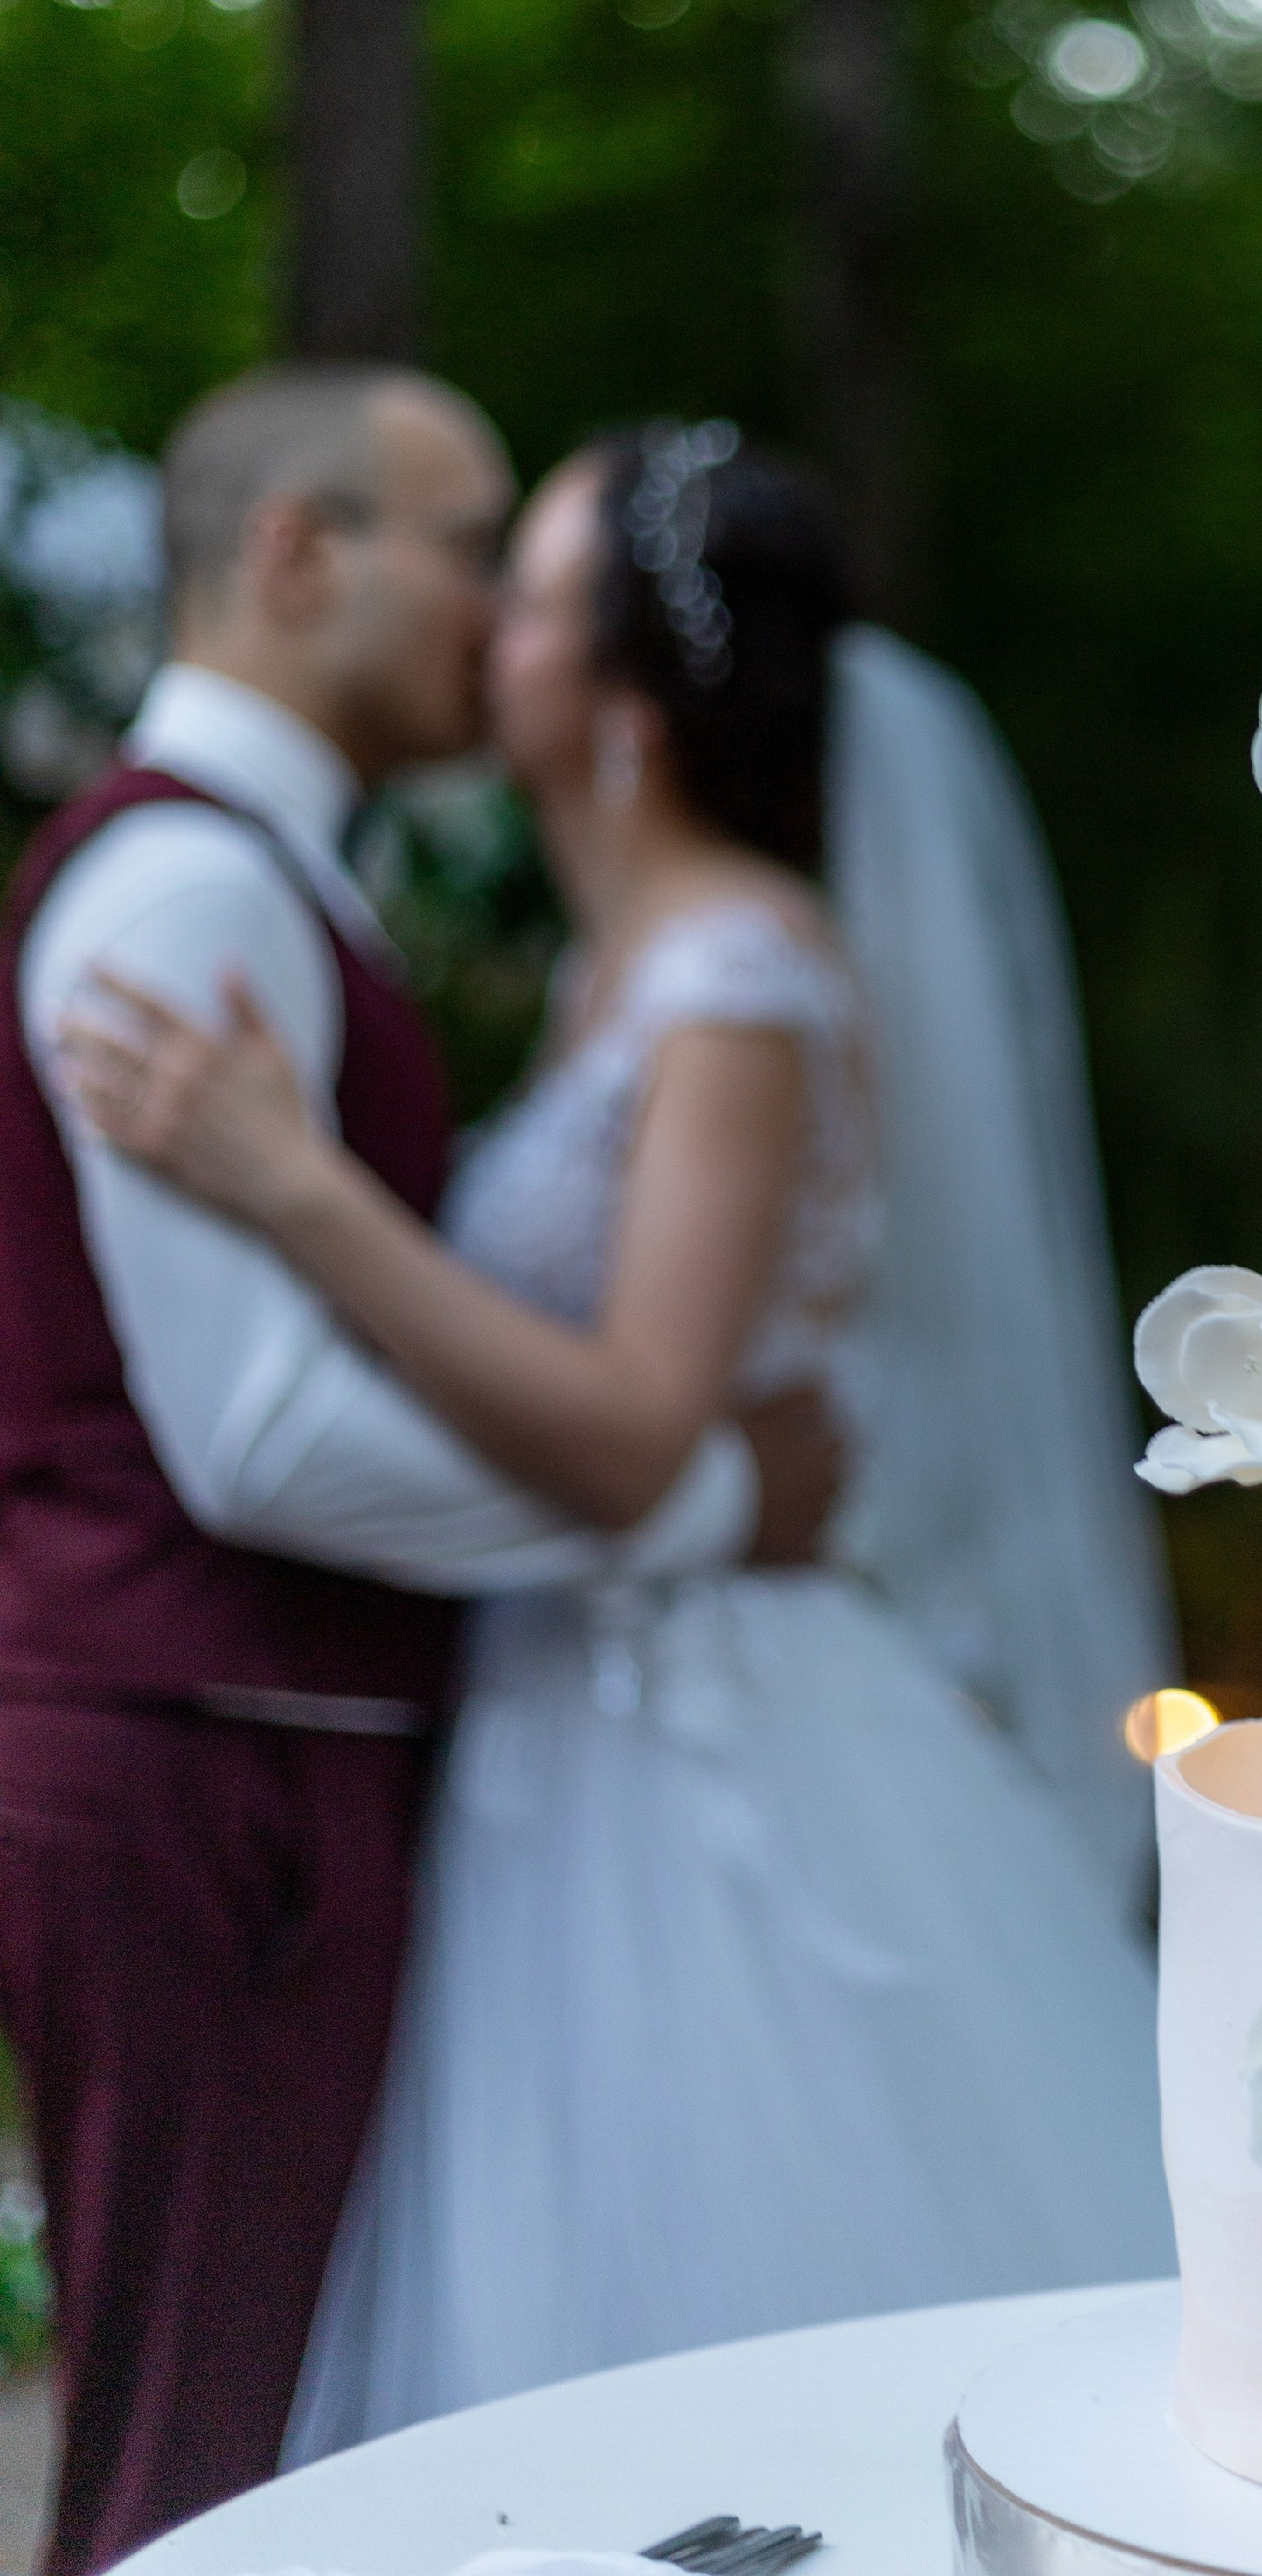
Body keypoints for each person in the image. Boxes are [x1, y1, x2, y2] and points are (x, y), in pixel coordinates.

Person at [58, 419, 1175, 2458]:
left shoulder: (736, 977)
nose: (486, 626)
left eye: (532, 587)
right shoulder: (611, 976)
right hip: (553, 1715)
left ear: (625, 704)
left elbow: (641, 1428)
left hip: (699, 1738)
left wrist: (294, 1187)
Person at [0, 368, 840, 2574]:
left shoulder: (271, 880)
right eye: (463, 541)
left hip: (267, 1754)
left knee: (257, 2428)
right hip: (210, 1762)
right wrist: (691, 1504)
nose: (488, 612)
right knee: (194, 2459)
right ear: (300, 555)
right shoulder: (183, 892)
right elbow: (257, 1434)